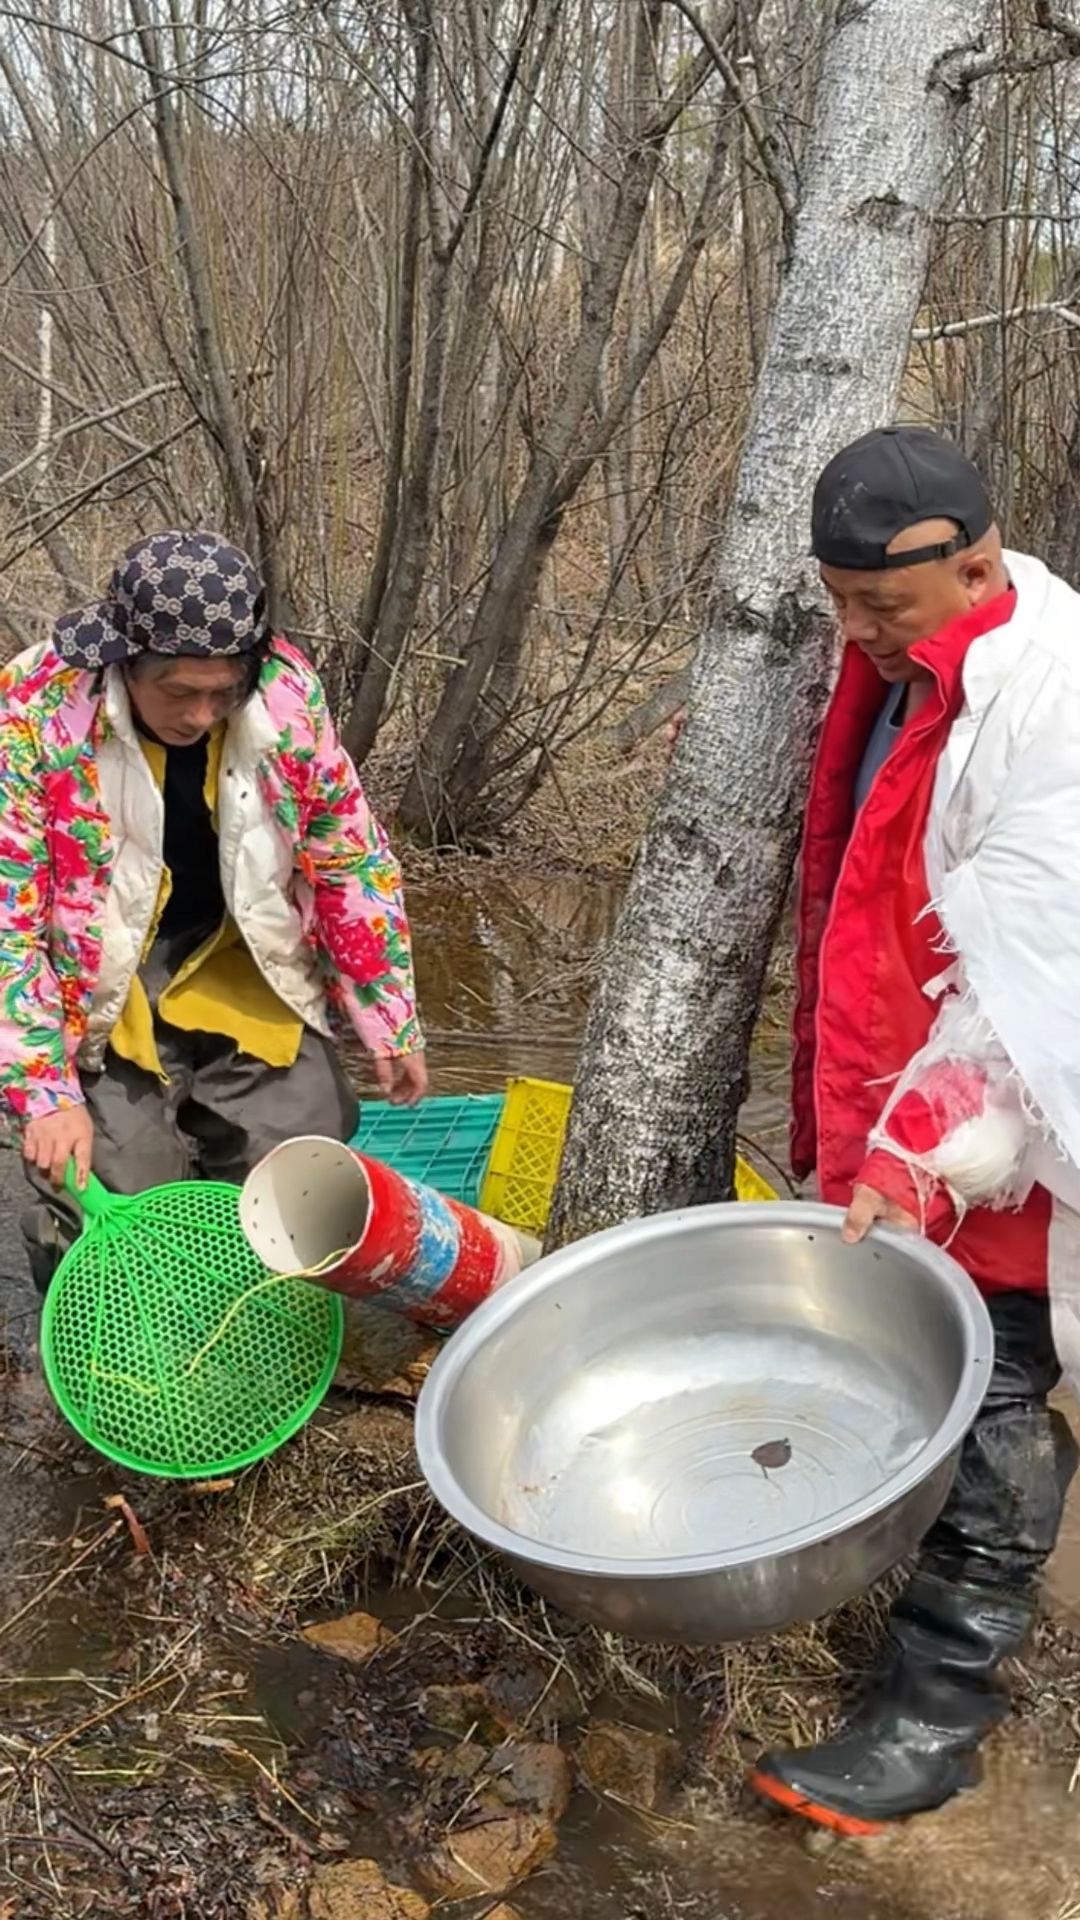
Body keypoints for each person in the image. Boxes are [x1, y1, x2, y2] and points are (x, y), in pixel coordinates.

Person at [748, 426, 1080, 1832]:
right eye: (840, 605)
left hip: (1006, 1120)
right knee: (899, 1344)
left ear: (980, 560)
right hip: (882, 1084)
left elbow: (1039, 977)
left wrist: (915, 1142)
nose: (860, 633)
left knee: (996, 1386)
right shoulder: (902, 666)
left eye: (883, 605)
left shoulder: (1052, 704)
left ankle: (937, 1719)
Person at [0, 530, 427, 1290]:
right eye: (177, 691)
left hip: (236, 960)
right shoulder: (36, 713)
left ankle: (253, 1314)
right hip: (93, 983)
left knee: (301, 1148)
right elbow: (9, 922)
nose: (201, 714)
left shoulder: (288, 702)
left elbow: (347, 858)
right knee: (114, 1184)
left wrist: (386, 1014)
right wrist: (44, 1092)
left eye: (221, 692)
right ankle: (111, 1338)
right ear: (122, 661)